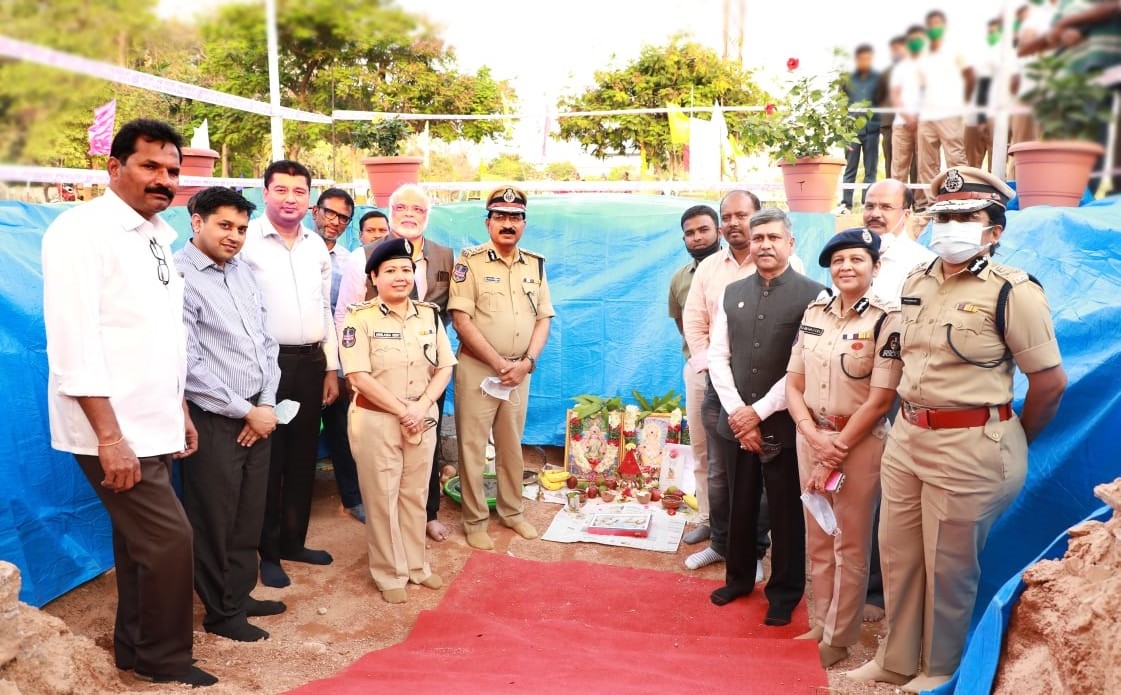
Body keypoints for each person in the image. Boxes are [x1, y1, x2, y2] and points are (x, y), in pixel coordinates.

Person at [845, 167, 1068, 692]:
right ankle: (896, 659)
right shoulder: (915, 281)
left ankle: (938, 669)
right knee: (898, 555)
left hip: (970, 443)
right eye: (943, 216)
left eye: (965, 216)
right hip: (908, 435)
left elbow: (1050, 384)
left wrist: (1008, 437)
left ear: (993, 229)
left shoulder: (1015, 292)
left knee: (949, 569)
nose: (951, 226)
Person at [41, 119, 216, 687]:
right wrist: (110, 438)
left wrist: (179, 411)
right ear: (113, 168)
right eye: (150, 166)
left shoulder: (156, 234)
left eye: (172, 170)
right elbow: (75, 345)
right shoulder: (80, 231)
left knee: (140, 542)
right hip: (110, 428)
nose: (164, 179)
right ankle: (165, 661)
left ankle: (133, 650)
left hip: (154, 418)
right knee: (170, 541)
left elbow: (161, 337)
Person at [786, 228, 903, 667]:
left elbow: (881, 398)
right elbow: (793, 381)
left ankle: (839, 637)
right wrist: (812, 435)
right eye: (838, 261)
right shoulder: (814, 311)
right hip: (810, 437)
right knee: (817, 535)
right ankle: (821, 620)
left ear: (874, 266)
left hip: (858, 444)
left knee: (850, 543)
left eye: (856, 259)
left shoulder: (886, 318)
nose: (846, 267)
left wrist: (835, 448)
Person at [175, 187, 286, 643]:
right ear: (196, 222)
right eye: (225, 225)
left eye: (242, 228)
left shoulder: (242, 272)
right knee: (215, 518)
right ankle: (220, 612)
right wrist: (246, 411)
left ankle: (238, 594)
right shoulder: (178, 277)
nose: (235, 236)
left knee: (247, 515)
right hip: (215, 422)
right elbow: (188, 365)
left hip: (257, 416)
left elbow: (267, 342)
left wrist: (264, 405)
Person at [706, 208, 825, 626]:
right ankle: (738, 580)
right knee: (738, 507)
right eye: (758, 239)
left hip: (784, 424)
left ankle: (784, 593)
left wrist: (756, 413)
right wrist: (739, 413)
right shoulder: (732, 292)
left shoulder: (815, 295)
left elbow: (803, 367)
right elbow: (718, 356)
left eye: (774, 238)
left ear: (791, 244)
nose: (765, 245)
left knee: (785, 512)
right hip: (735, 422)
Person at [239, 159, 340, 589]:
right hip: (267, 364)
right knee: (269, 460)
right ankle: (268, 551)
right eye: (281, 190)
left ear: (309, 200)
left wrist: (331, 367)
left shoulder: (317, 246)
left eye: (300, 192)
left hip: (311, 361)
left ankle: (295, 541)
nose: (290, 199)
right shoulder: (246, 242)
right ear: (265, 193)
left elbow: (324, 309)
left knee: (302, 456)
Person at [336, 185, 456, 542]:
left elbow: (447, 310)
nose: (409, 213)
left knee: (425, 448)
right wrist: (350, 371)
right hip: (378, 374)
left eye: (417, 209)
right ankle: (388, 539)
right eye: (401, 206)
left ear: (427, 216)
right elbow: (345, 312)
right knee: (385, 458)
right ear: (389, 212)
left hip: (426, 372)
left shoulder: (445, 256)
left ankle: (427, 515)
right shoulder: (364, 257)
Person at [448, 186, 554, 550]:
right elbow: (461, 320)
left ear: (523, 223)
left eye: (515, 217)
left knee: (511, 445)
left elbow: (543, 320)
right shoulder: (469, 262)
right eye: (501, 217)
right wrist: (499, 364)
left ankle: (512, 511)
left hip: (518, 373)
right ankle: (475, 520)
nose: (508, 224)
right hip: (478, 370)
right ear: (488, 221)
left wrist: (526, 364)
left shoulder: (536, 264)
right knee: (473, 447)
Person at [667, 204, 722, 545]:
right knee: (701, 449)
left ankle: (751, 530)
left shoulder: (739, 270)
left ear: (717, 231)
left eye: (704, 229)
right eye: (690, 232)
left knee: (740, 454)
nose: (697, 236)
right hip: (699, 372)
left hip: (740, 374)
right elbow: (682, 325)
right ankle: (708, 518)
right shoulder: (679, 279)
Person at [312, 188, 365, 524]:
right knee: (293, 429)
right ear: (315, 211)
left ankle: (352, 497)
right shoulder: (298, 251)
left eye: (342, 217)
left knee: (342, 429)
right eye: (329, 213)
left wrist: (341, 366)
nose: (334, 221)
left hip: (338, 358)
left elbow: (347, 314)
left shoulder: (350, 261)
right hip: (297, 356)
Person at [915, 10, 973, 209]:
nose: (935, 28)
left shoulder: (955, 49)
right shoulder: (923, 54)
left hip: (950, 111)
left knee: (955, 158)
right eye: (931, 24)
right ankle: (931, 204)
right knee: (926, 161)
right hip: (926, 114)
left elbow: (970, 75)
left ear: (945, 26)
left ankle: (960, 199)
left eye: (938, 23)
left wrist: (963, 102)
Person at [864, 179, 936, 301]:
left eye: (886, 207)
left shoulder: (923, 263)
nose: (875, 214)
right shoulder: (848, 257)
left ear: (906, 215)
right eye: (869, 206)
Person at [840, 44, 882, 213]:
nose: (865, 61)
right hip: (852, 130)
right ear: (857, 59)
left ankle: (867, 203)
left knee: (870, 169)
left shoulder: (878, 79)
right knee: (850, 168)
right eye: (862, 58)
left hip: (872, 128)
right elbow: (841, 102)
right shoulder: (848, 80)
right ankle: (846, 204)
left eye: (868, 58)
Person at [891, 25, 928, 202]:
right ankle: (897, 202)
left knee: (925, 165)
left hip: (927, 123)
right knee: (899, 166)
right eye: (912, 40)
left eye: (919, 40)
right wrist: (908, 116)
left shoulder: (931, 66)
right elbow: (895, 94)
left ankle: (921, 203)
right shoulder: (901, 67)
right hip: (901, 123)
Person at [964, 18, 1003, 170]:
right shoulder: (983, 53)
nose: (991, 35)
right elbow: (980, 84)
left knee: (997, 160)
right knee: (971, 160)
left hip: (994, 113)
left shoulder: (1004, 53)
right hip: (978, 112)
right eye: (990, 32)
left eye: (994, 32)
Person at [875, 35, 910, 180]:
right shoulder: (886, 73)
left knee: (917, 162)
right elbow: (879, 96)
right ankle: (892, 194)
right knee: (892, 162)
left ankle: (917, 198)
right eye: (893, 49)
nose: (896, 52)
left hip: (914, 122)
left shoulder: (916, 69)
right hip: (890, 124)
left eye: (899, 48)